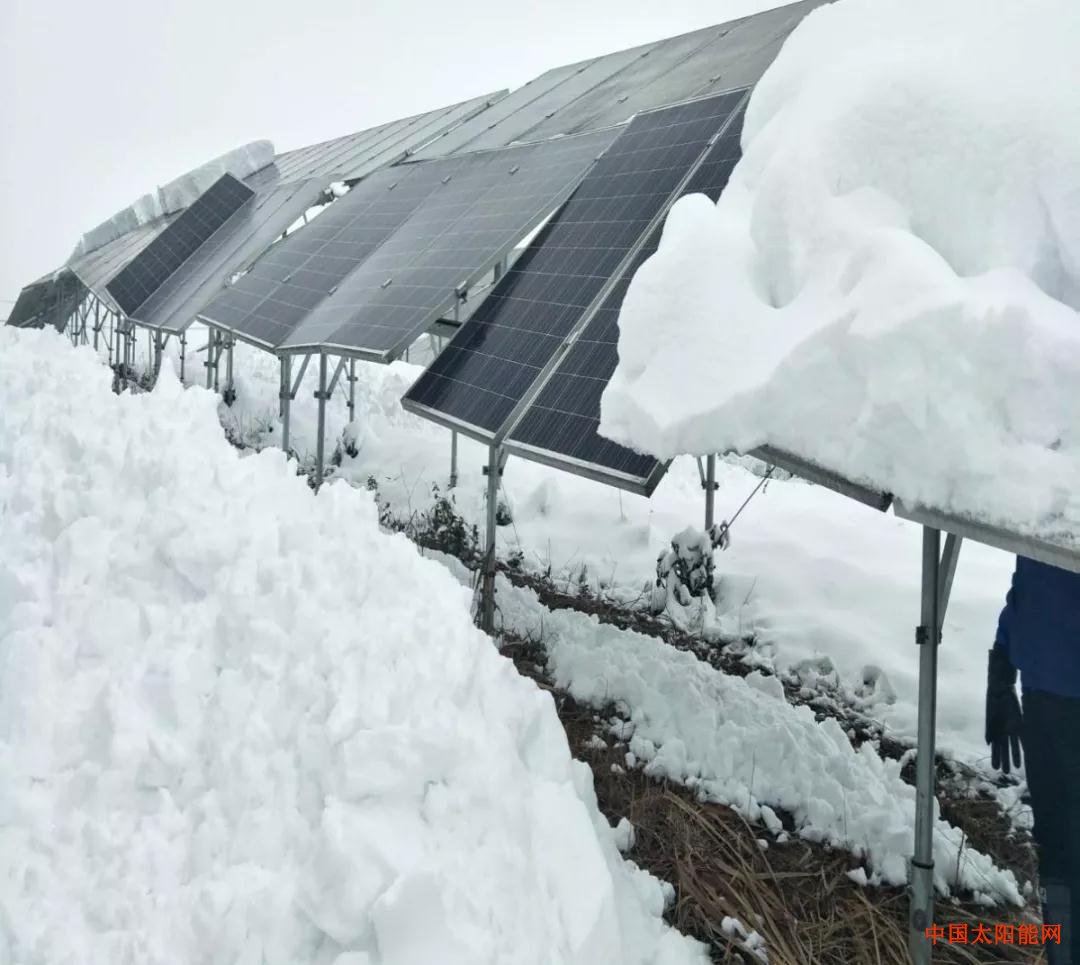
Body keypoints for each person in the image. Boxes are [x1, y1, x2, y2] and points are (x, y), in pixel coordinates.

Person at [987, 555, 1080, 964]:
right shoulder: (1041, 493)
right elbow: (1031, 567)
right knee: (1057, 847)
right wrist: (1003, 662)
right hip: (1044, 689)